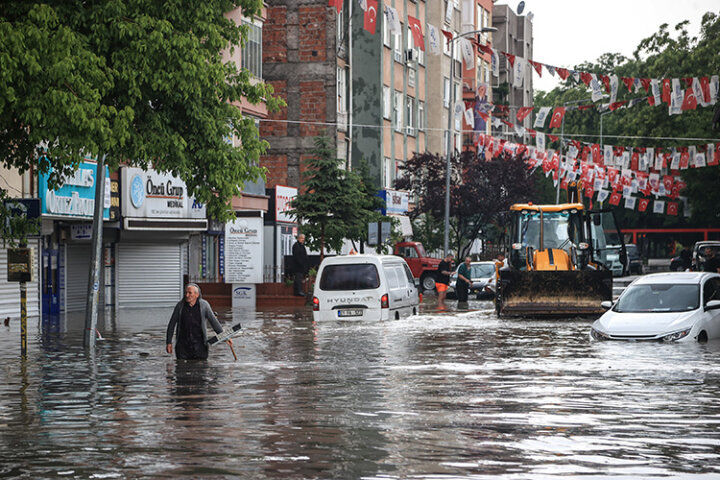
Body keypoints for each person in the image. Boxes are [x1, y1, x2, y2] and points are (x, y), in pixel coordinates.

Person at [166, 283, 230, 360]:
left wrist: (225, 338)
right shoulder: (180, 306)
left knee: (201, 368)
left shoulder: (204, 305)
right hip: (182, 347)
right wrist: (169, 342)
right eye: (186, 293)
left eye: (190, 293)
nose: (187, 295)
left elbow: (214, 323)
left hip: (200, 346)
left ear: (197, 295)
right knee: (181, 369)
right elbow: (171, 325)